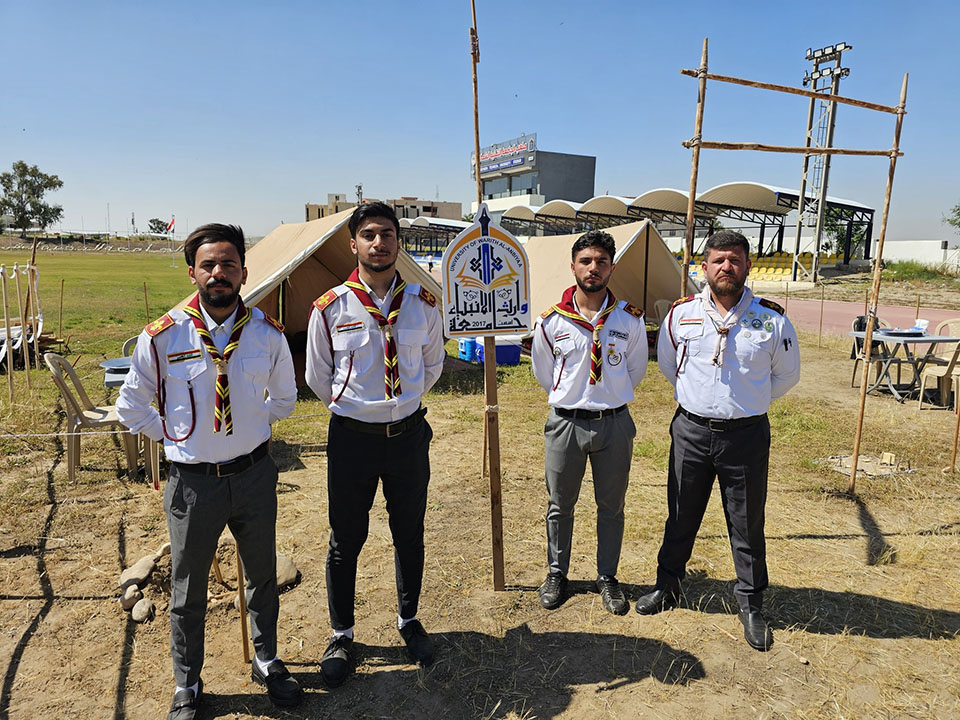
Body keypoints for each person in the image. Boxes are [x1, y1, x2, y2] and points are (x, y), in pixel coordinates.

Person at [117, 224, 301, 718]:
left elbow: (285, 399)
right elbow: (130, 406)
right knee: (188, 588)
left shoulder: (266, 333)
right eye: (208, 265)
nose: (219, 273)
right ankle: (188, 683)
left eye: (228, 264)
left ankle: (267, 660)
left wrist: (252, 426)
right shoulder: (163, 336)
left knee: (262, 576)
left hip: (254, 476)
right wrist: (174, 438)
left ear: (244, 271)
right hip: (193, 484)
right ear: (192, 272)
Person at [634, 230, 801, 652]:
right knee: (680, 514)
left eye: (735, 259)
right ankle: (667, 586)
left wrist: (746, 402)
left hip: (745, 437)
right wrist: (702, 402)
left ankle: (750, 604)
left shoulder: (771, 319)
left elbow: (786, 375)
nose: (727, 267)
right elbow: (669, 365)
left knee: (747, 522)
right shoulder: (682, 314)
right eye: (719, 260)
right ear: (704, 267)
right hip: (690, 431)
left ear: (747, 266)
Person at [306, 201, 444, 687]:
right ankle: (342, 634)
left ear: (398, 242)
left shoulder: (423, 303)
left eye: (387, 234)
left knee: (409, 533)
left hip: (407, 437)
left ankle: (409, 620)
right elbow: (318, 376)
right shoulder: (330, 307)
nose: (379, 242)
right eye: (369, 235)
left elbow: (432, 365)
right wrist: (359, 409)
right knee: (346, 539)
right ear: (353, 244)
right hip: (352, 441)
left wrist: (400, 404)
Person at [530, 230, 648, 615]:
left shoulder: (628, 319)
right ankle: (556, 572)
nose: (593, 268)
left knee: (611, 506)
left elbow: (635, 370)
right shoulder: (551, 321)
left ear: (612, 268)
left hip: (614, 424)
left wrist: (607, 397)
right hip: (566, 424)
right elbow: (545, 373)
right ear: (573, 267)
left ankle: (607, 576)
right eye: (586, 261)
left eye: (601, 261)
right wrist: (574, 399)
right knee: (559, 504)